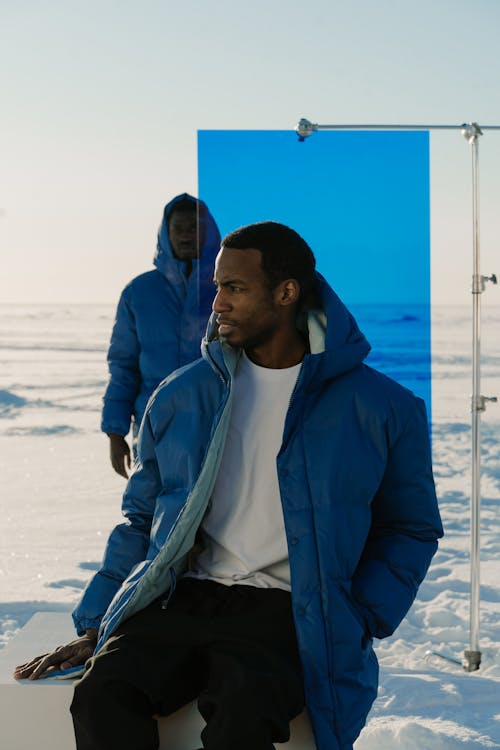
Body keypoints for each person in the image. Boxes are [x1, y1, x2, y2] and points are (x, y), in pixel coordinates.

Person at [14, 221, 443, 750]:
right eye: (216, 286)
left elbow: (411, 527)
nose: (216, 302)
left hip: (286, 609)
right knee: (102, 695)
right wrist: (98, 622)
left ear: (286, 293)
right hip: (183, 596)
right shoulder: (181, 395)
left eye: (234, 288)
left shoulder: (382, 408)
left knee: (243, 718)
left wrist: (361, 615)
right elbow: (142, 519)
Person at [103, 192, 221, 477]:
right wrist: (115, 432)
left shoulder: (228, 290)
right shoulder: (139, 293)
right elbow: (123, 367)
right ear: (165, 234)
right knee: (150, 513)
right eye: (178, 229)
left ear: (208, 232)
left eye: (194, 228)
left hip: (218, 427)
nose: (185, 236)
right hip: (154, 428)